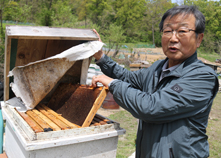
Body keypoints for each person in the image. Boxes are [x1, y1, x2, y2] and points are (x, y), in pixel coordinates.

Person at [92, 5, 219, 158]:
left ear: (199, 38)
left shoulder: (202, 77)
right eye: (167, 31)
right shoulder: (157, 68)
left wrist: (112, 84)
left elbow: (151, 107)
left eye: (182, 31)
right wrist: (101, 57)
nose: (173, 38)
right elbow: (127, 77)